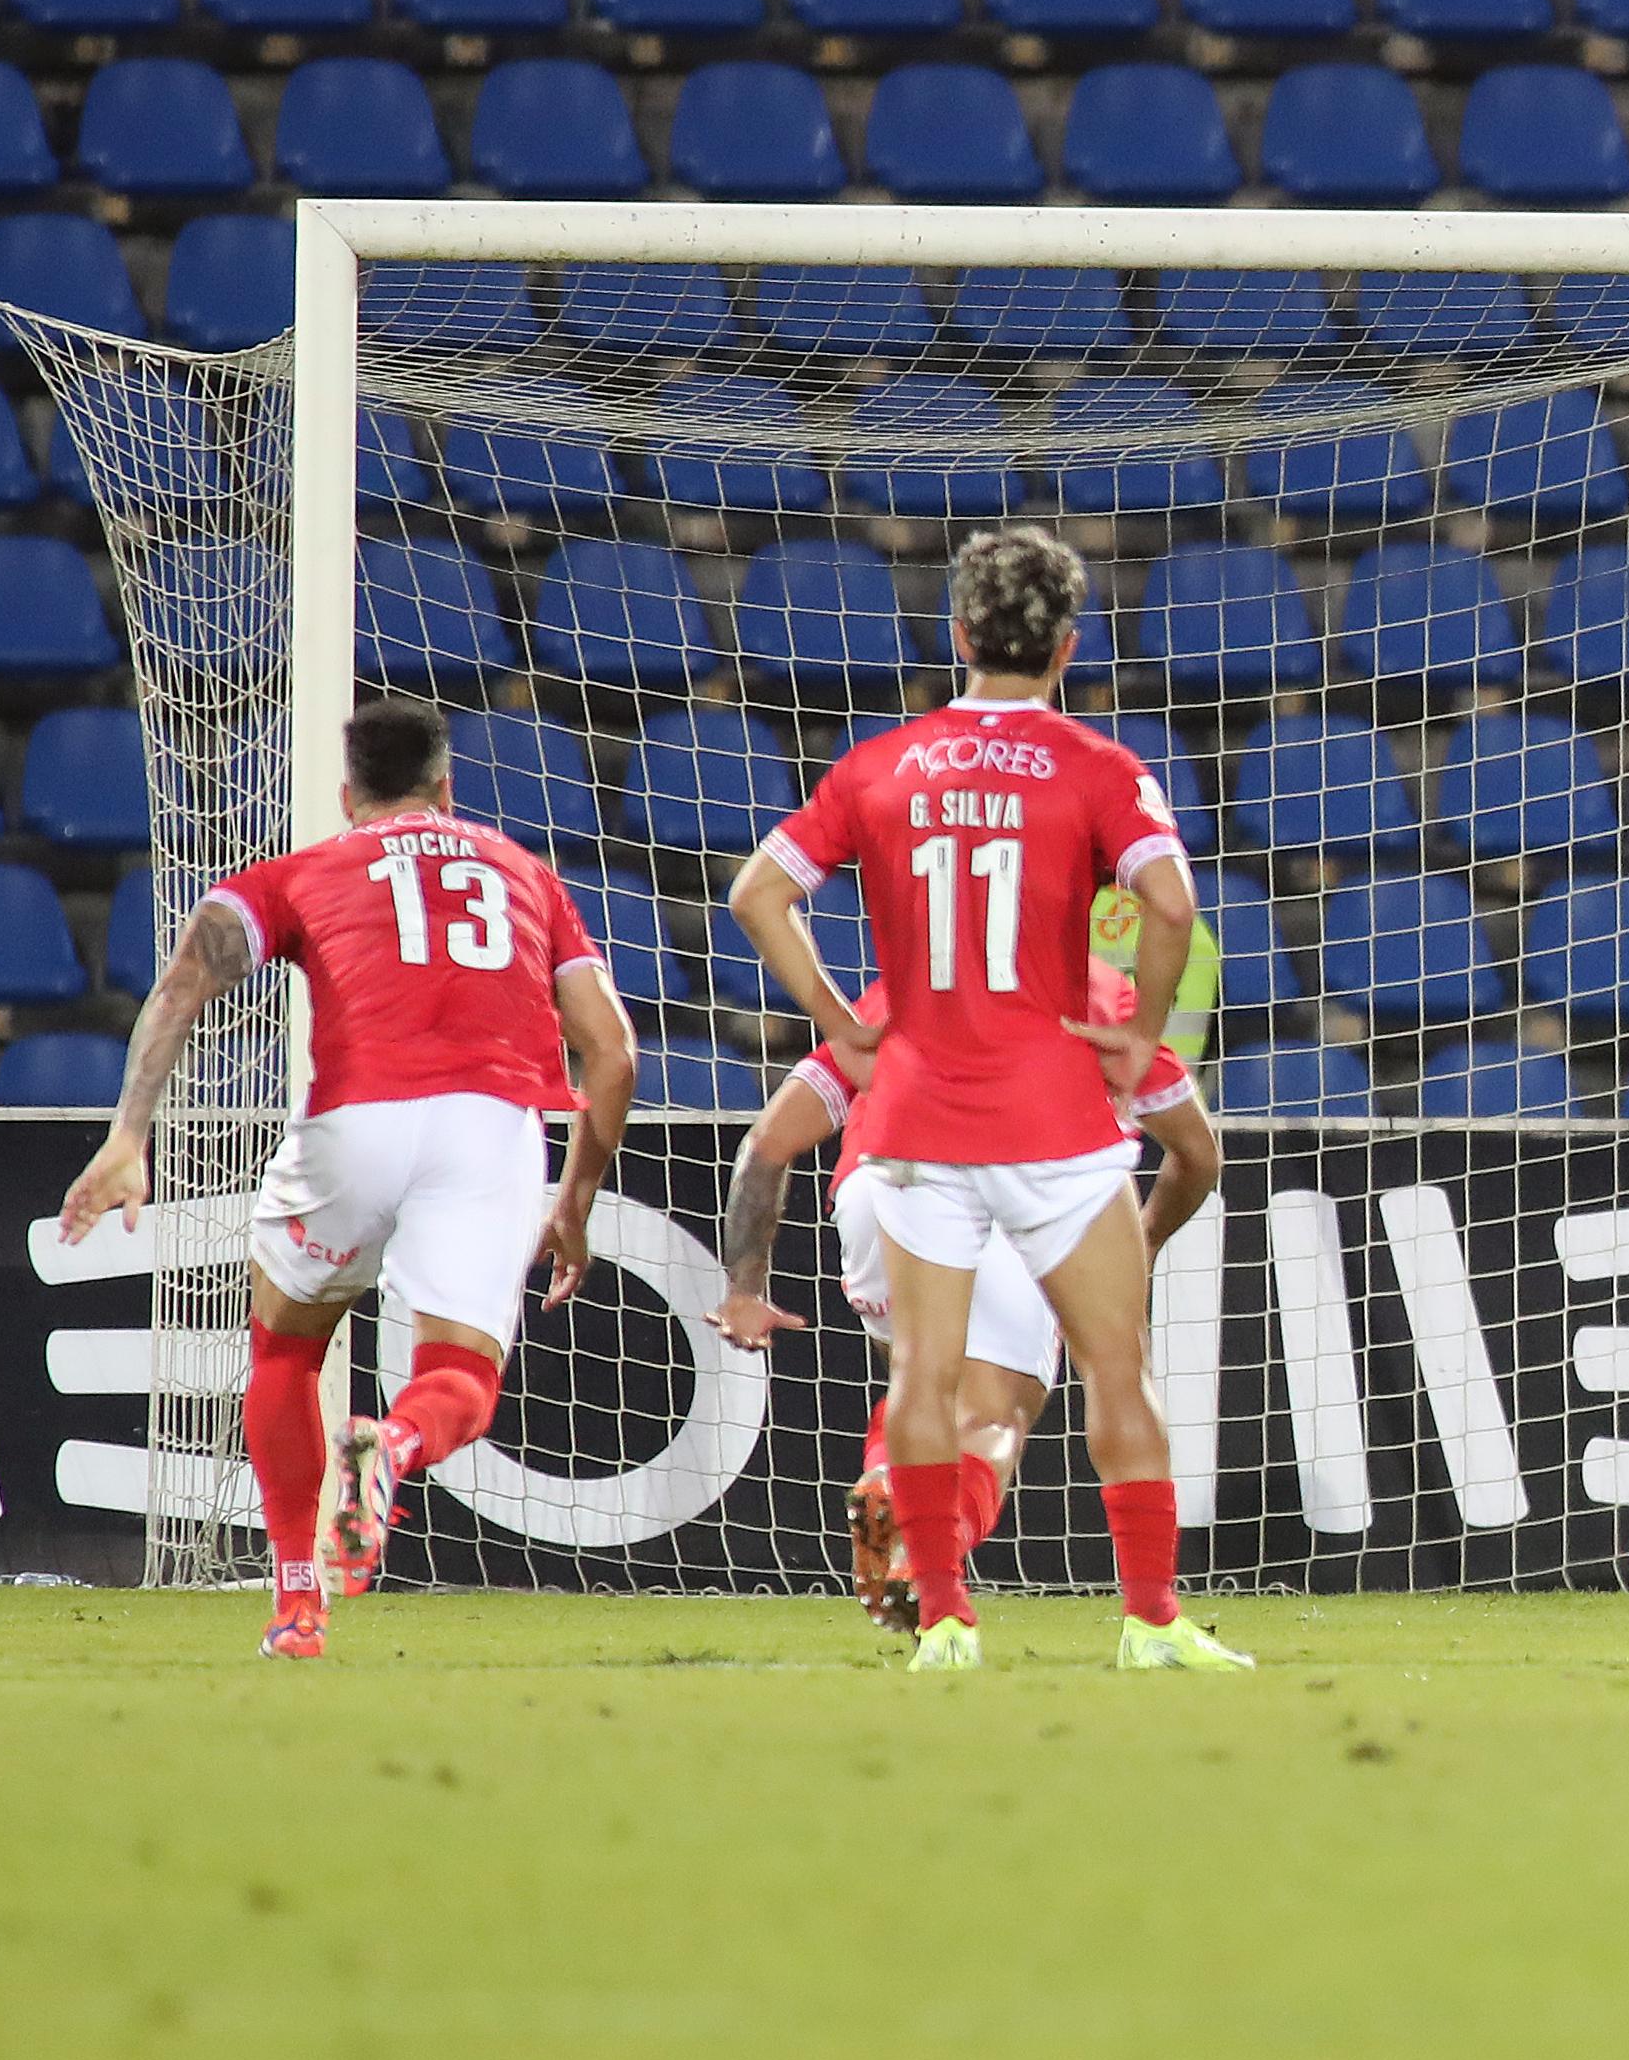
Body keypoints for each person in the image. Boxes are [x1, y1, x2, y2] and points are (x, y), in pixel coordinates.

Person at [727, 528, 1246, 1675]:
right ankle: (1152, 1622)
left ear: (958, 638)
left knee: (921, 1377)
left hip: (911, 1118)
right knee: (1118, 1370)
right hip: (1053, 1113)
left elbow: (758, 893)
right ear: (1068, 645)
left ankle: (948, 1620)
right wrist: (1142, 1030)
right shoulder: (1102, 768)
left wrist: (837, 1018)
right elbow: (1170, 906)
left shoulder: (880, 765)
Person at [61, 695, 633, 1657]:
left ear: (345, 795)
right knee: (458, 1377)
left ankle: (295, 1600)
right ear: (448, 789)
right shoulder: (529, 877)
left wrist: (129, 1135)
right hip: (490, 1130)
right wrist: (571, 1206)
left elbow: (182, 983)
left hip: (354, 1121)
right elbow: (610, 1055)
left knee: (286, 1349)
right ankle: (396, 1447)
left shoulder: (302, 872)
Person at [712, 957, 1220, 1637]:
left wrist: (744, 1288)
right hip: (1029, 1181)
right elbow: (1198, 1154)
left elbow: (768, 1142)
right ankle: (931, 1558)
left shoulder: (904, 982)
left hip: (880, 1187)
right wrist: (1140, 1244)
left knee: (922, 1379)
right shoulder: (1088, 984)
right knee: (995, 1411)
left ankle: (889, 1483)